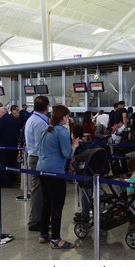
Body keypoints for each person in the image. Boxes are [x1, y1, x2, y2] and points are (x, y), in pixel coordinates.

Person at [36, 105, 79, 249]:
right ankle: (55, 239)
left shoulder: (46, 129)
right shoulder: (62, 131)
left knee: (46, 202)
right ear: (65, 117)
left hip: (41, 169)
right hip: (55, 171)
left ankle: (43, 234)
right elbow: (67, 154)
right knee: (57, 205)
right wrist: (74, 146)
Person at [24, 96, 49, 231]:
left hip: (34, 156)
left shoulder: (32, 119)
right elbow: (41, 145)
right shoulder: (39, 122)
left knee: (39, 190)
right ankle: (35, 220)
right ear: (47, 107)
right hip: (38, 158)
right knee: (38, 191)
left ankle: (39, 218)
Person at [0, 107, 21, 188]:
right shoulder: (16, 120)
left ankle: (6, 183)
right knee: (12, 163)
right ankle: (12, 181)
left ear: (2, 112)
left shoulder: (0, 121)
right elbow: (18, 133)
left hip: (2, 147)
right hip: (13, 146)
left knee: (3, 163)